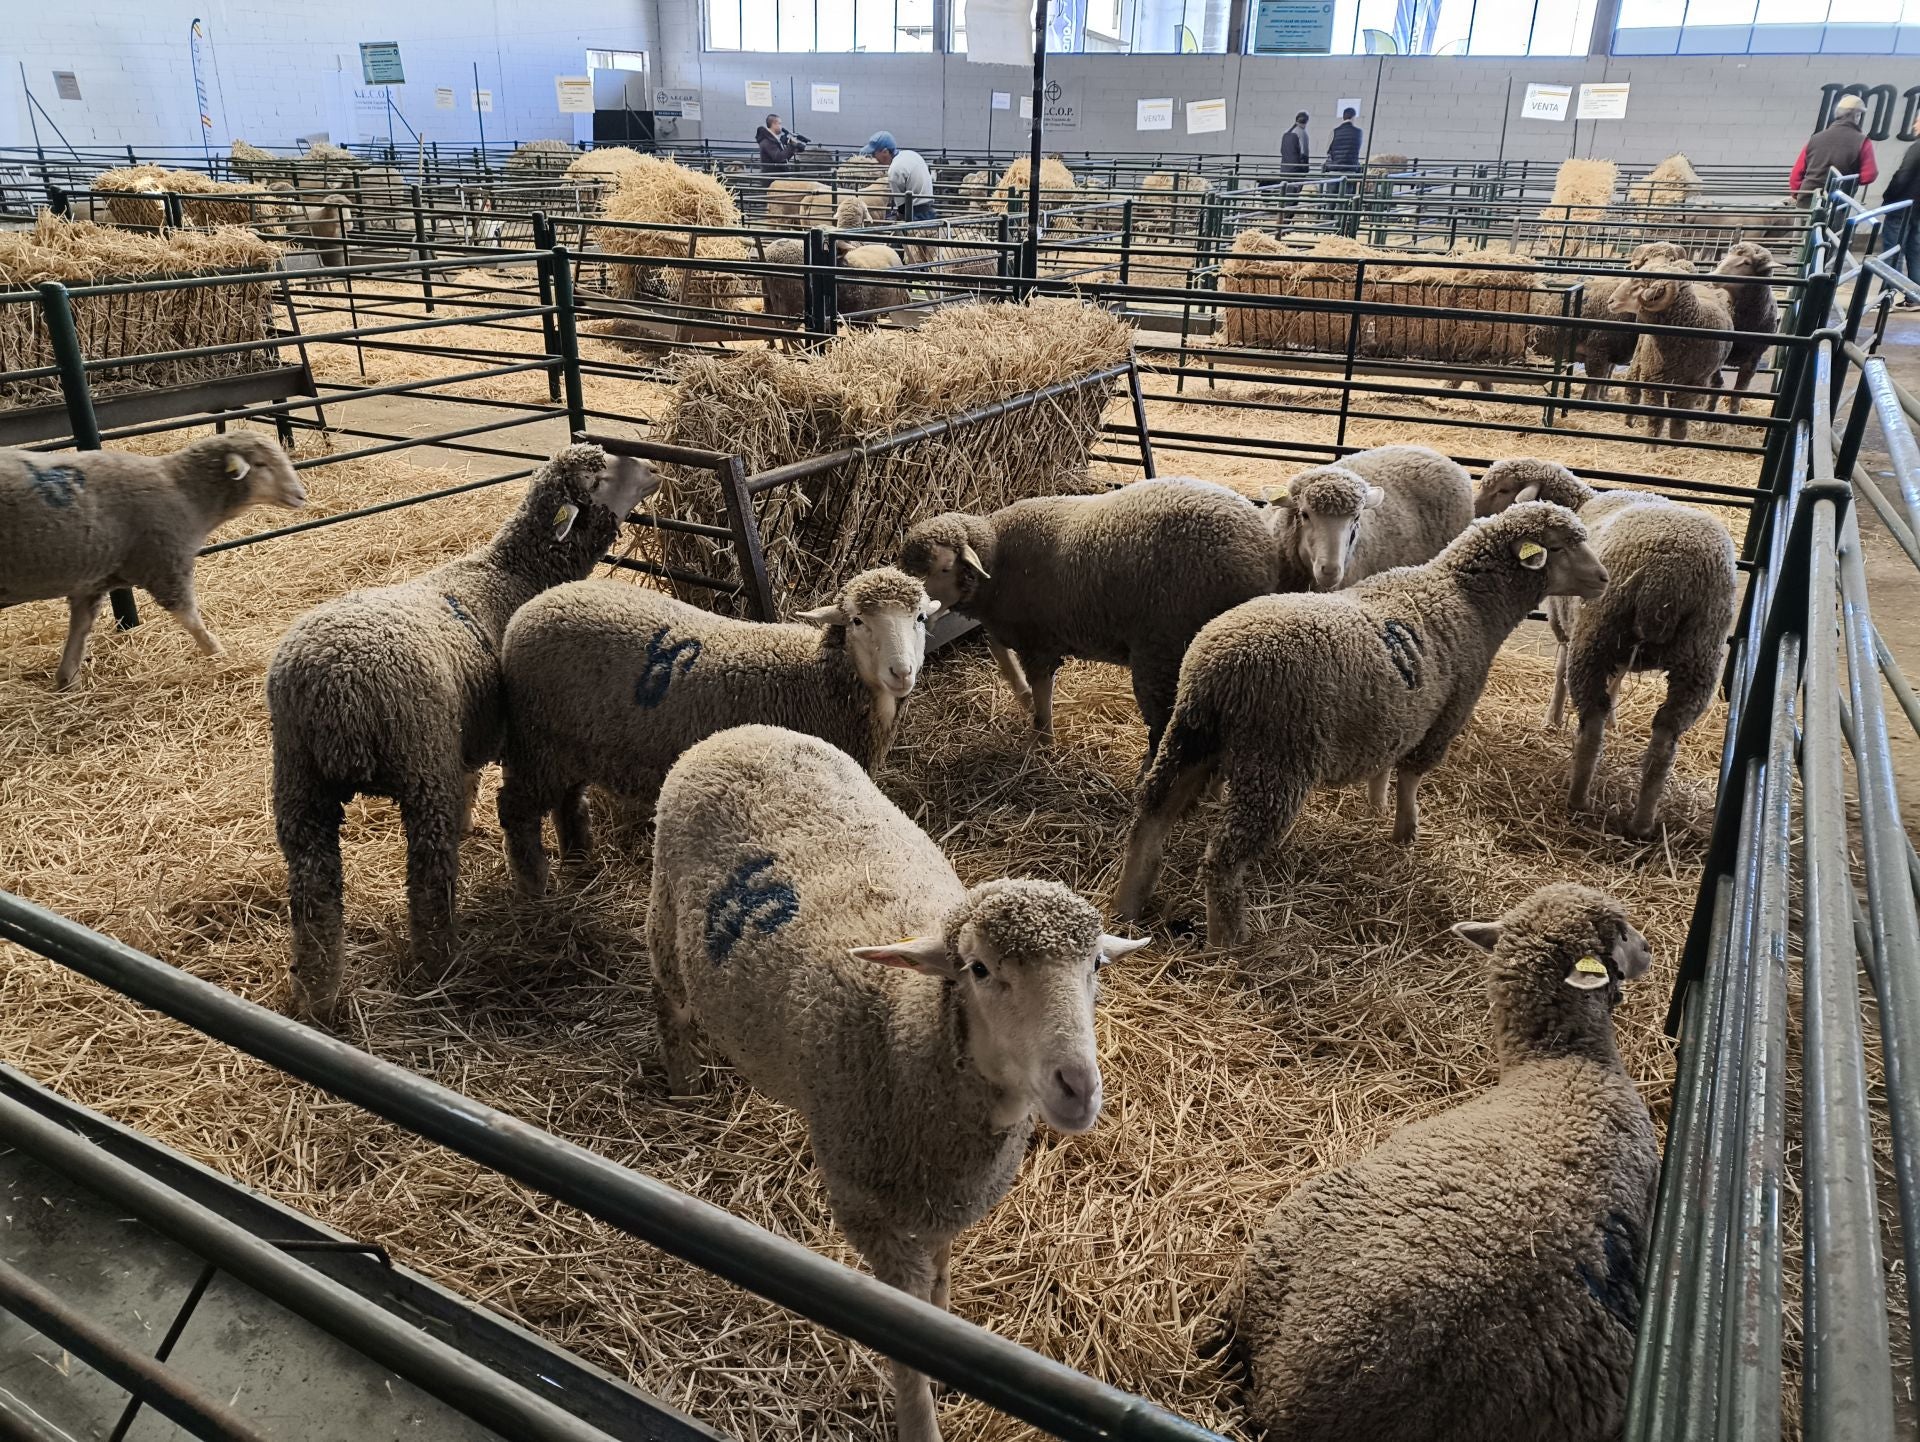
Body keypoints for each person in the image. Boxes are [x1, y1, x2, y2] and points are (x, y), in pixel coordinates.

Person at [1790, 93, 1878, 205]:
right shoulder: (1863, 142)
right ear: (1857, 116)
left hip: (1807, 199)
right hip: (1837, 203)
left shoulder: (1815, 138)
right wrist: (1849, 182)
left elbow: (1796, 175)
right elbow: (1869, 176)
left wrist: (1798, 195)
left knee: (1804, 217)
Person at [859, 131, 936, 223]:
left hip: (916, 215)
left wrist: (897, 217)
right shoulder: (910, 154)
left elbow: (902, 208)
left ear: (885, 152)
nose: (873, 158)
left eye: (874, 154)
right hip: (929, 210)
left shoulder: (894, 170)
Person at [1880, 130, 1920, 302]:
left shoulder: (1917, 147)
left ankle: (1887, 297)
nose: (1915, 125)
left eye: (1918, 121)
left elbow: (1903, 175)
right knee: (1915, 253)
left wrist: (1888, 197)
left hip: (1902, 207)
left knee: (1893, 252)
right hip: (1918, 210)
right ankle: (1915, 298)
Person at [1326, 107, 1364, 174]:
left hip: (1335, 168)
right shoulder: (1359, 132)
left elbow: (1328, 149)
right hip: (1351, 169)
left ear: (1343, 117)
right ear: (1353, 117)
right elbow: (1358, 148)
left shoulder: (1334, 131)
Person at [1281, 112, 1310, 179]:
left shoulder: (1286, 133)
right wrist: (1306, 168)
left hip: (1284, 169)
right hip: (1297, 169)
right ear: (1306, 121)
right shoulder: (1301, 132)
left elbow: (1282, 151)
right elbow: (1304, 152)